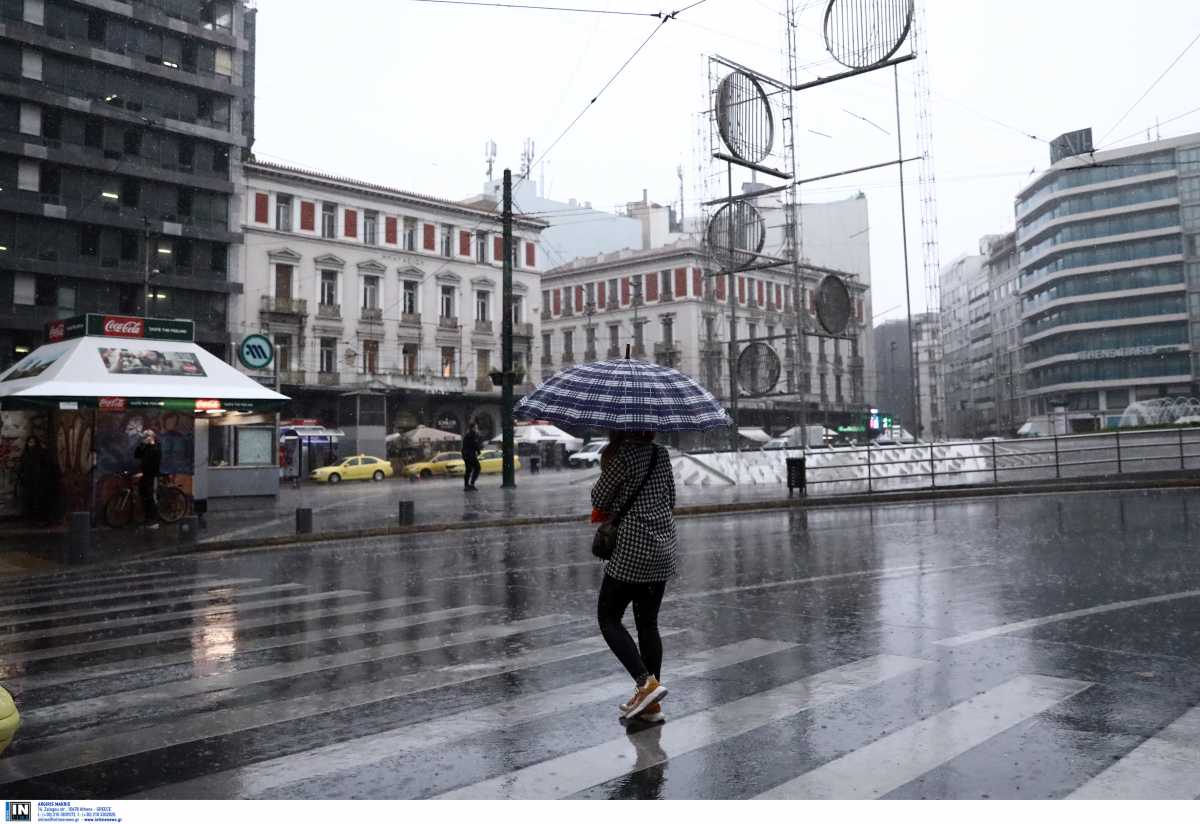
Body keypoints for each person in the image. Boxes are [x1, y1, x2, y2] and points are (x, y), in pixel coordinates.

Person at [590, 430, 677, 723]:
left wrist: (610, 463)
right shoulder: (661, 454)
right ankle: (651, 703)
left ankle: (645, 683)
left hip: (632, 548)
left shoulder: (623, 455)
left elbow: (599, 497)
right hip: (663, 546)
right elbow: (671, 498)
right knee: (648, 623)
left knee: (608, 616)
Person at [16, 435, 55, 525]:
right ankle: (31, 519)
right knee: (29, 500)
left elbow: (47, 467)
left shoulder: (41, 453)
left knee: (39, 500)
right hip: (28, 482)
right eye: (29, 442)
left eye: (33, 442)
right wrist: (22, 477)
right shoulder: (26, 454)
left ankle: (39, 518)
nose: (31, 444)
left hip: (39, 482)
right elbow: (21, 467)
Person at [134, 429, 162, 529]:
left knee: (150, 497)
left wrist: (144, 473)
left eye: (147, 437)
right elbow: (136, 455)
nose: (145, 438)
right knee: (144, 496)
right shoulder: (146, 448)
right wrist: (142, 444)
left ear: (152, 437)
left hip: (151, 476)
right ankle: (147, 519)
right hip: (144, 475)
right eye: (144, 437)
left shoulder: (156, 449)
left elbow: (154, 465)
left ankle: (154, 521)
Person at [462, 422, 483, 491]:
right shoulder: (473, 434)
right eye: (476, 427)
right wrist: (479, 451)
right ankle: (472, 484)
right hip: (470, 455)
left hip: (465, 455)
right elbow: (475, 444)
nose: (477, 429)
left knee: (468, 470)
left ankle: (466, 486)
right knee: (478, 468)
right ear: (473, 428)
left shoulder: (467, 434)